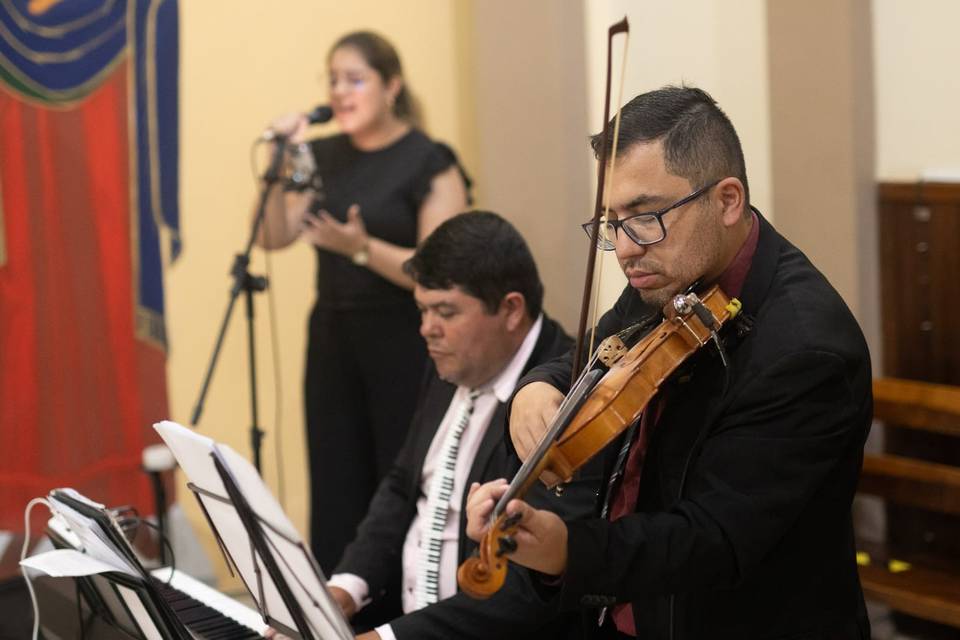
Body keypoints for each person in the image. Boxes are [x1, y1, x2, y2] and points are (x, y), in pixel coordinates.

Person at [466, 86, 873, 639]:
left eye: (646, 215)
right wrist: (536, 388)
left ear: (728, 200)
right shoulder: (669, 277)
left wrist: (568, 550)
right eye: (612, 221)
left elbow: (712, 540)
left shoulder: (807, 350)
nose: (627, 248)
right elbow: (591, 357)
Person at [323, 211, 600, 639]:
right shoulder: (456, 360)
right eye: (422, 310)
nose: (426, 329)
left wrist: (386, 638)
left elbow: (526, 590)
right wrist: (345, 588)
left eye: (444, 312)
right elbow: (404, 485)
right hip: (409, 620)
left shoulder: (561, 397)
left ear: (511, 310)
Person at [255, 31, 471, 574]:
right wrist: (285, 162)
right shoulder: (320, 155)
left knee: (395, 484)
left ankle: (397, 612)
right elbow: (271, 235)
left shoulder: (428, 160)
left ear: (391, 86)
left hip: (404, 342)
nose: (340, 91)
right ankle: (337, 608)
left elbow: (442, 269)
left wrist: (360, 249)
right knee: (335, 482)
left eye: (355, 79)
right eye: (332, 79)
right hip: (332, 341)